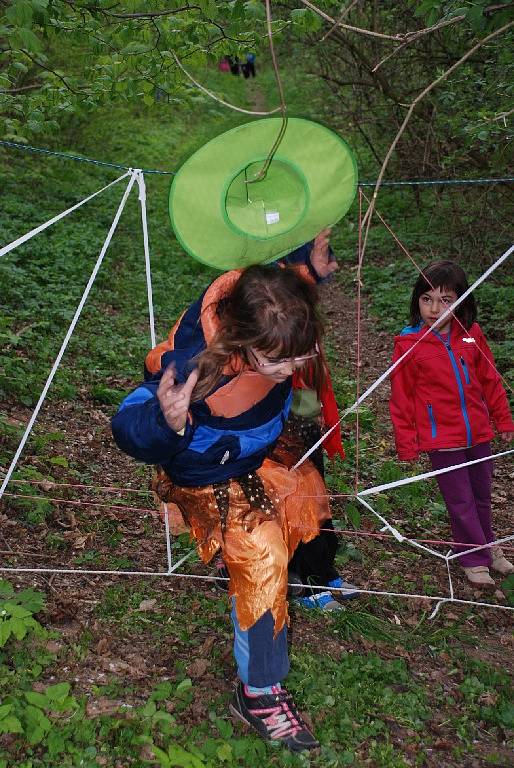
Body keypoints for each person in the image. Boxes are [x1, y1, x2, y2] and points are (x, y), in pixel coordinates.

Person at [112, 249, 342, 752]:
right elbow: (128, 425)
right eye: (278, 359)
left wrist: (310, 265)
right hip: (209, 479)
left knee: (276, 549)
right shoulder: (197, 370)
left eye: (299, 354)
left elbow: (284, 286)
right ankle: (259, 692)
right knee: (264, 562)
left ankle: (259, 601)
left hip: (262, 460)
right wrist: (165, 421)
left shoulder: (278, 324)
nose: (292, 366)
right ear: (241, 341)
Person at [144, 233, 359, 609]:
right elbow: (253, 297)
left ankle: (316, 572)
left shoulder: (284, 252)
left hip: (295, 394)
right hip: (251, 407)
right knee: (258, 491)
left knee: (307, 479)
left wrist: (310, 270)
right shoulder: (222, 322)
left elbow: (281, 291)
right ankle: (268, 573)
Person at [389, 260, 514, 588]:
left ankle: (490, 548)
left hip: (478, 432)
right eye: (427, 298)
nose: (435, 308)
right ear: (417, 300)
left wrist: (503, 419)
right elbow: (401, 398)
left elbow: (490, 379)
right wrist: (407, 442)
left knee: (482, 495)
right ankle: (473, 557)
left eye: (446, 300)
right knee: (460, 500)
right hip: (441, 438)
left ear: (462, 301)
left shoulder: (471, 335)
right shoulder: (408, 344)